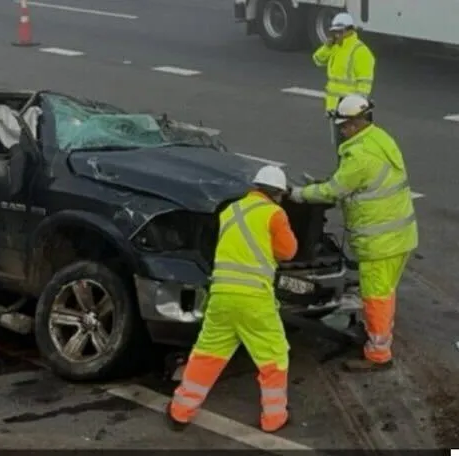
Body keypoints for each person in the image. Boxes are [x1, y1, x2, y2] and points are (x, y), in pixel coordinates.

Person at [289, 94, 418, 373]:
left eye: (344, 126)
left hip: (379, 242)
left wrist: (299, 194)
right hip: (401, 235)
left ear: (356, 124)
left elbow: (333, 191)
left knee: (375, 297)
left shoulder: (358, 155)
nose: (342, 130)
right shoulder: (380, 138)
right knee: (385, 291)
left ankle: (378, 354)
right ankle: (377, 335)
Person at [166, 165, 297, 433]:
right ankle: (274, 418)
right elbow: (288, 251)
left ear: (255, 187)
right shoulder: (274, 213)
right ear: (278, 194)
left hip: (221, 296)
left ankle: (180, 411)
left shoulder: (230, 211)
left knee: (207, 354)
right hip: (254, 300)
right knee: (274, 356)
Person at [312, 12, 375, 147]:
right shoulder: (335, 47)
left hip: (351, 110)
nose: (336, 35)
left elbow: (364, 86)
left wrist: (357, 111)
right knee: (340, 148)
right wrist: (327, 46)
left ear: (350, 30)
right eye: (334, 32)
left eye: (340, 32)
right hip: (334, 108)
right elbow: (317, 59)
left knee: (354, 148)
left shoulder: (361, 51)